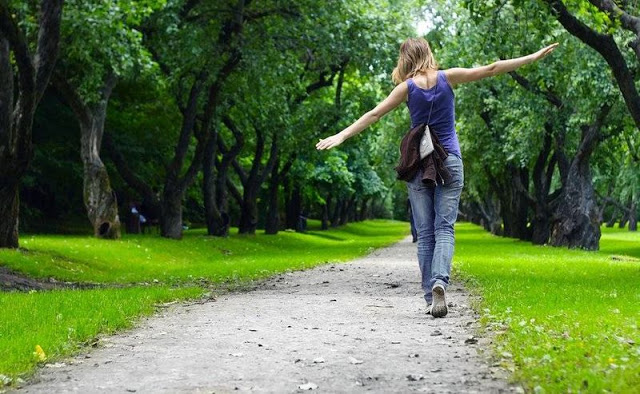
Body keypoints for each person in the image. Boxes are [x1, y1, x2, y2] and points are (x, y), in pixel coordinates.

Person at [316, 38, 557, 318]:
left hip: (419, 164)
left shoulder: (405, 88)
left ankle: (430, 295)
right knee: (445, 228)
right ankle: (440, 282)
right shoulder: (448, 77)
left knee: (426, 233)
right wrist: (532, 56)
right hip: (450, 160)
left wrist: (341, 135)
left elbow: (374, 114)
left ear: (405, 59)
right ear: (428, 53)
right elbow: (492, 68)